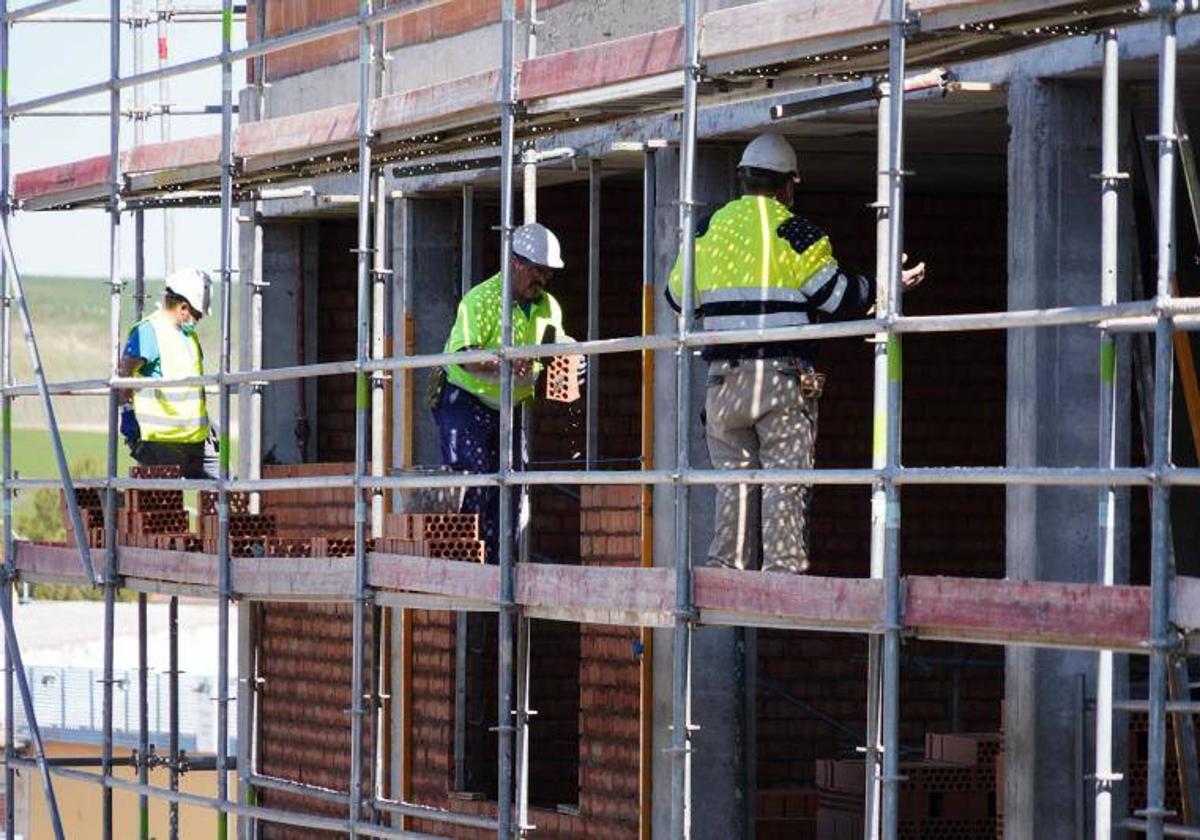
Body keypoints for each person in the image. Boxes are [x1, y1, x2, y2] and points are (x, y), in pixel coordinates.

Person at [667, 133, 926, 574]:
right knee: (784, 484)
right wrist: (885, 285)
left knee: (733, 486)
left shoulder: (707, 229)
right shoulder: (796, 230)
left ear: (745, 180)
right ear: (787, 185)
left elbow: (678, 297)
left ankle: (725, 569)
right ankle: (781, 577)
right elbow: (835, 296)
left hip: (722, 382)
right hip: (779, 380)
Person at [433, 222, 574, 564]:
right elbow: (464, 357)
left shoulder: (547, 307)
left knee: (512, 484)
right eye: (537, 272)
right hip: (465, 399)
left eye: (547, 274)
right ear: (515, 263)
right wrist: (505, 365)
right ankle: (464, 560)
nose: (541, 281)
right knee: (476, 477)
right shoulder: (480, 299)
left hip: (508, 407)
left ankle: (498, 565)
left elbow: (556, 347)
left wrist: (568, 357)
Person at [119, 267, 218, 479]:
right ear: (183, 308)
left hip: (193, 436)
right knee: (164, 502)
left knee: (221, 486)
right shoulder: (149, 331)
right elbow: (124, 373)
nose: (197, 321)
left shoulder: (188, 337)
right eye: (196, 316)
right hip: (160, 437)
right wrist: (127, 412)